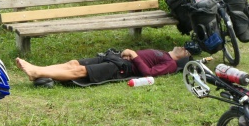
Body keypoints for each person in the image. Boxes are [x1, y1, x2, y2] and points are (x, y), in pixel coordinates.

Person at [15, 46, 191, 85]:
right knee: (72, 63)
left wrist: (135, 55)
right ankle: (36, 71)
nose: (183, 47)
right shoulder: (163, 52)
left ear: (183, 58)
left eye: (187, 51)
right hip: (116, 58)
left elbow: (148, 72)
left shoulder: (170, 64)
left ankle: (36, 71)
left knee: (79, 71)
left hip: (123, 69)